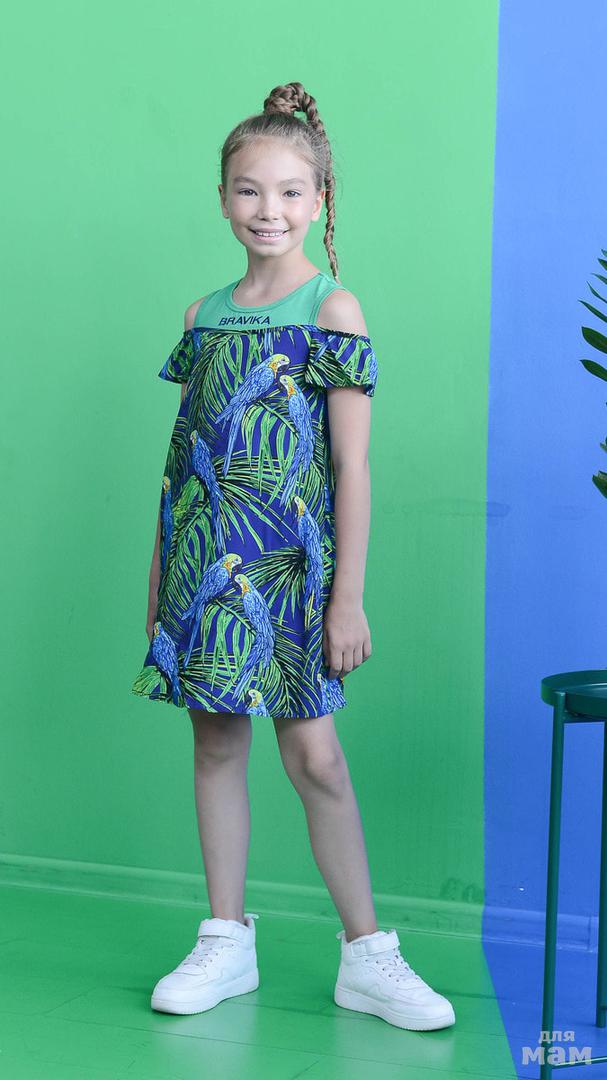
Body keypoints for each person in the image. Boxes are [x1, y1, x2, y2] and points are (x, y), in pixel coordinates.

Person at [131, 80, 455, 1033]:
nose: (266, 210)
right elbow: (182, 468)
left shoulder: (333, 309)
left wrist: (346, 597)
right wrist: (159, 587)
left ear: (319, 201)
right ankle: (225, 939)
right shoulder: (201, 317)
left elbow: (352, 468)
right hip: (203, 573)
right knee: (214, 743)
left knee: (315, 758)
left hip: (294, 577)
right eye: (247, 190)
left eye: (287, 192)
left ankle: (367, 955)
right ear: (222, 198)